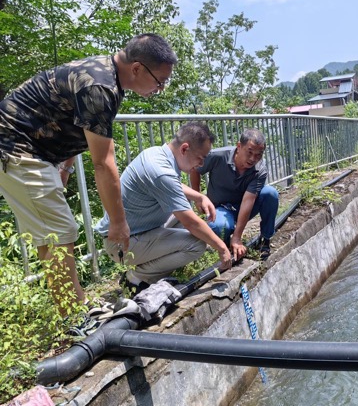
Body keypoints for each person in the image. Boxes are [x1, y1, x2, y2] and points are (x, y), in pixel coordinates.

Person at [0, 33, 177, 320]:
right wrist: (118, 223)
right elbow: (104, 164)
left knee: (52, 233)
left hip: (30, 150)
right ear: (137, 68)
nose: (160, 89)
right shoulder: (101, 86)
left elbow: (76, 125)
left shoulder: (107, 75)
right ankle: (75, 317)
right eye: (160, 81)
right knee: (60, 230)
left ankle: (69, 310)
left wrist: (65, 168)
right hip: (17, 147)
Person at [95, 122, 233, 294]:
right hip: (122, 244)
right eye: (200, 158)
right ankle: (136, 278)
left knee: (184, 208)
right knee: (197, 244)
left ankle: (150, 269)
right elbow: (192, 223)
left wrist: (199, 196)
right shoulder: (161, 171)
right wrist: (222, 248)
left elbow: (172, 185)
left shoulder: (157, 153)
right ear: (184, 149)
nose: (201, 164)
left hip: (136, 230)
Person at [190, 128, 279, 261]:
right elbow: (194, 168)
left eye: (258, 154)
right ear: (239, 146)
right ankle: (224, 247)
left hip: (244, 206)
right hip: (220, 207)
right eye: (249, 152)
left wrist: (237, 237)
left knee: (270, 193)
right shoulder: (217, 156)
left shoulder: (260, 169)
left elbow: (248, 200)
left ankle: (265, 239)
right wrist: (197, 197)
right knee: (218, 226)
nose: (253, 159)